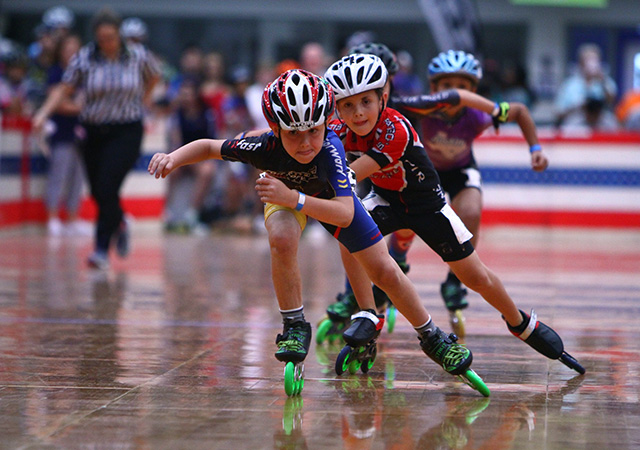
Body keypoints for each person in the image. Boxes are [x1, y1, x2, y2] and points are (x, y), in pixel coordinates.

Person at [147, 69, 480, 382]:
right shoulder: (261, 146)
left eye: (314, 131)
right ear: (275, 130)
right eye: (293, 133)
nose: (305, 143)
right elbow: (208, 146)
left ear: (326, 124)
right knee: (281, 237)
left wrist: (294, 198)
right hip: (286, 195)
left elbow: (345, 214)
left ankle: (432, 335)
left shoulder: (330, 150)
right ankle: (294, 324)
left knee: (385, 272)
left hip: (320, 200)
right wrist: (172, 158)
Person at [324, 54, 581, 372]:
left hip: (427, 205)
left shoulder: (398, 126)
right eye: (347, 105)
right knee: (346, 225)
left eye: (365, 102)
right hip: (387, 200)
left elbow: (346, 177)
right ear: (336, 108)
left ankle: (519, 321)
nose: (358, 113)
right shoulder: (336, 127)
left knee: (476, 276)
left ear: (383, 98)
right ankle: (366, 313)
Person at [389, 50, 549, 335]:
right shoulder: (422, 108)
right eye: (446, 86)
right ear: (433, 89)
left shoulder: (477, 114)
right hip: (424, 172)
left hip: (461, 170)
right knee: (407, 224)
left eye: (462, 87)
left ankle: (454, 279)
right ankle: (397, 260)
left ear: (473, 91)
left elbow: (520, 111)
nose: (454, 93)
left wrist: (535, 148)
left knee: (471, 212)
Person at [32, 7, 161, 269]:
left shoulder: (137, 56)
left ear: (119, 35)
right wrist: (44, 113)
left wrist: (144, 99)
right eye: (102, 39)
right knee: (98, 190)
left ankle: (101, 249)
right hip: (92, 131)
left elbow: (154, 75)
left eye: (111, 38)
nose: (107, 44)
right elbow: (64, 89)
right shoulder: (84, 58)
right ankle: (120, 221)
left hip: (127, 129)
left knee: (106, 184)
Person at [40, 33, 88, 237]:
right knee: (58, 173)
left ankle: (72, 218)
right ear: (60, 52)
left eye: (75, 50)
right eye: (68, 50)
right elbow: (56, 102)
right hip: (61, 131)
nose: (72, 54)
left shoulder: (83, 74)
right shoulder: (55, 72)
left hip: (82, 132)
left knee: (78, 176)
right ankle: (52, 217)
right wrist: (77, 107)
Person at [164, 76, 218, 233]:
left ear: (196, 95)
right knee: (169, 169)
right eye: (183, 94)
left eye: (189, 94)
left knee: (207, 171)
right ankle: (167, 213)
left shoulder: (207, 113)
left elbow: (213, 138)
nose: (186, 97)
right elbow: (176, 140)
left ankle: (192, 215)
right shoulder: (177, 114)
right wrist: (178, 159)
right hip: (182, 155)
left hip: (202, 156)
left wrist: (199, 159)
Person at [554, 43, 617, 128]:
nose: (591, 64)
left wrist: (602, 81)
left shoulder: (605, 81)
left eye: (594, 60)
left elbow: (612, 101)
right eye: (588, 60)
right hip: (577, 120)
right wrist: (578, 106)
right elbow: (559, 113)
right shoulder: (570, 85)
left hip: (600, 120)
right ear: (581, 63)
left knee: (612, 124)